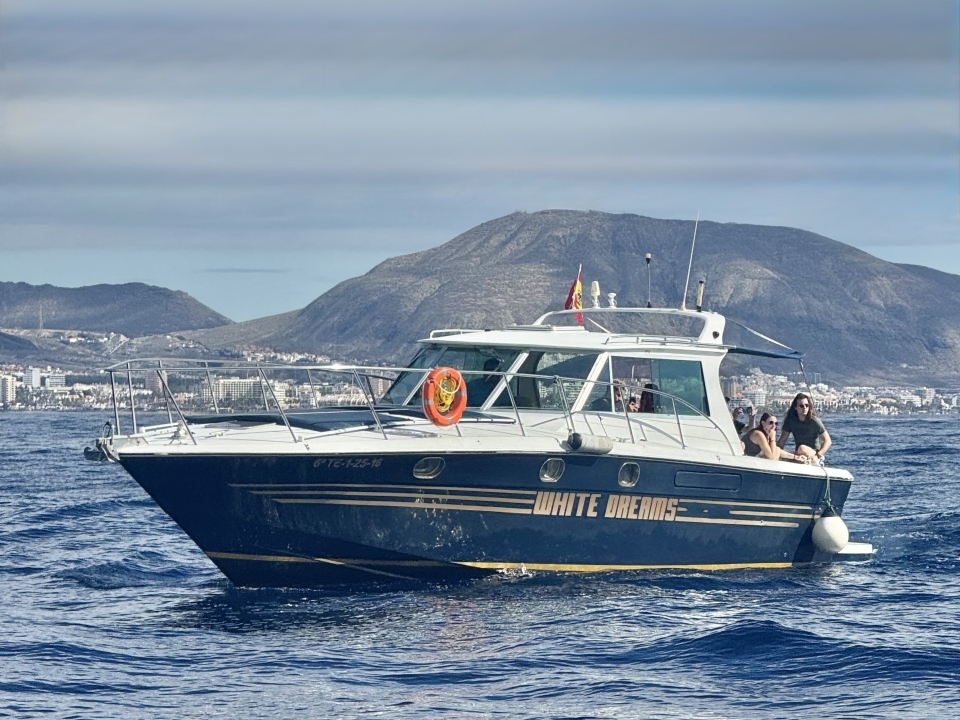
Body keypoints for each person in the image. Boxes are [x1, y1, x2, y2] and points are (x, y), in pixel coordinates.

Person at [778, 393, 832, 463]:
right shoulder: (791, 421)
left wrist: (818, 456)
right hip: (799, 454)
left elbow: (828, 441)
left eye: (806, 405)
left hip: (813, 453)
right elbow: (782, 441)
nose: (804, 408)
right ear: (795, 407)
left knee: (802, 448)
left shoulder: (815, 421)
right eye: (801, 406)